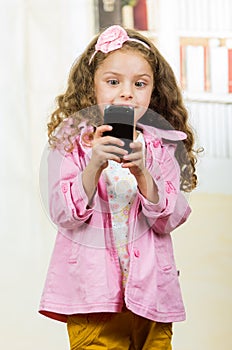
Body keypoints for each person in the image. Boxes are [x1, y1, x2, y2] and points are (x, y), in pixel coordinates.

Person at [39, 25, 198, 349]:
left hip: (152, 298)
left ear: (154, 92)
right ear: (91, 88)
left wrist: (143, 173)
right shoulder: (71, 145)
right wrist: (94, 164)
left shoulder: (162, 147)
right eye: (113, 82)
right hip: (92, 300)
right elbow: (62, 213)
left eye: (139, 84)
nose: (127, 93)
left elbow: (171, 218)